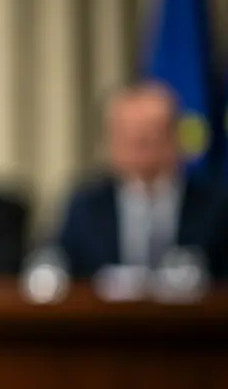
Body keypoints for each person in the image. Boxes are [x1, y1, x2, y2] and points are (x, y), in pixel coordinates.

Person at [56, 82, 228, 279]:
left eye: (151, 136)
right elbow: (57, 265)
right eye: (129, 137)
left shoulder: (216, 206)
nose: (140, 148)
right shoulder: (86, 206)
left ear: (175, 137)